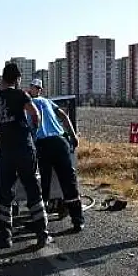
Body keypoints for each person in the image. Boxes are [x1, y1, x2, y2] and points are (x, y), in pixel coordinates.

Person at [0, 62, 52, 248]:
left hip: (4, 153)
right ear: (17, 79)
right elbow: (35, 114)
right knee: (32, 189)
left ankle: (6, 236)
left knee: (5, 193)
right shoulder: (21, 95)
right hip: (24, 149)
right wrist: (33, 131)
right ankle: (42, 234)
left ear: (3, 79)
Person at [27, 79, 84, 232]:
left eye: (35, 88)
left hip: (42, 145)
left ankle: (40, 222)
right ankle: (77, 220)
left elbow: (26, 127)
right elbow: (64, 116)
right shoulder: (48, 102)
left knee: (43, 184)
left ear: (32, 89)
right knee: (69, 181)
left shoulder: (27, 105)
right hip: (60, 142)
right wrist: (73, 136)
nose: (35, 90)